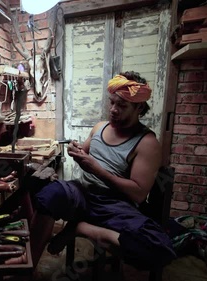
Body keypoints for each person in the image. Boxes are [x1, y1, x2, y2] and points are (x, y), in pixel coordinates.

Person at [29, 71, 176, 270]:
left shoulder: (147, 143)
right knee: (48, 195)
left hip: (114, 206)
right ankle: (27, 266)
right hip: (82, 193)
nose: (113, 110)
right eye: (112, 102)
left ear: (139, 107)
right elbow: (85, 153)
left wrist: (97, 170)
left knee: (158, 249)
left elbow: (139, 194)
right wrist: (77, 150)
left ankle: (79, 228)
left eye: (122, 105)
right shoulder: (99, 127)